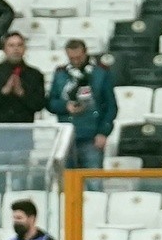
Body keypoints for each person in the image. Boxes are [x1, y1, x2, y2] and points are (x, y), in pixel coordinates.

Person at [0, 32, 47, 192]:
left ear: (24, 49)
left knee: (19, 182)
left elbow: (39, 104)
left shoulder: (34, 74)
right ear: (4, 49)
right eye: (11, 45)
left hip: (22, 136)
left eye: (19, 45)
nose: (15, 49)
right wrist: (4, 91)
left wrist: (21, 93)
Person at [47, 39, 118, 169]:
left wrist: (103, 132)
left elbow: (111, 106)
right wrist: (65, 106)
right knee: (66, 183)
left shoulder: (101, 73)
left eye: (78, 57)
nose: (75, 61)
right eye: (71, 58)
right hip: (66, 136)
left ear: (85, 53)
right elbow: (50, 103)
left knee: (93, 183)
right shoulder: (60, 74)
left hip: (92, 136)